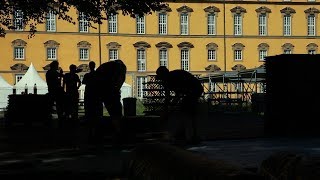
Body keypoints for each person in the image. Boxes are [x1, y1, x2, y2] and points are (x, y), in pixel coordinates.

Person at [156, 66, 204, 145]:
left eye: (161, 78)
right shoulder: (167, 79)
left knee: (185, 111)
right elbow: (168, 98)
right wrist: (166, 110)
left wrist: (167, 111)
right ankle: (188, 135)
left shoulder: (173, 78)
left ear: (163, 76)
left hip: (195, 89)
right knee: (186, 111)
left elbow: (177, 95)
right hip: (192, 89)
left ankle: (187, 135)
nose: (161, 80)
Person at [96, 59, 127, 144]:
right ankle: (118, 132)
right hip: (107, 89)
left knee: (100, 111)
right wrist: (116, 89)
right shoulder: (118, 68)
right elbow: (120, 80)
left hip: (99, 88)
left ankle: (98, 133)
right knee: (116, 112)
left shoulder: (106, 66)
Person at [82, 61, 103, 142]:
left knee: (89, 115)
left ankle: (90, 133)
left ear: (89, 67)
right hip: (97, 96)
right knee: (97, 115)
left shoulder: (87, 75)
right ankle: (97, 133)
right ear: (94, 66)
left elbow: (83, 82)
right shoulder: (98, 75)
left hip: (89, 95)